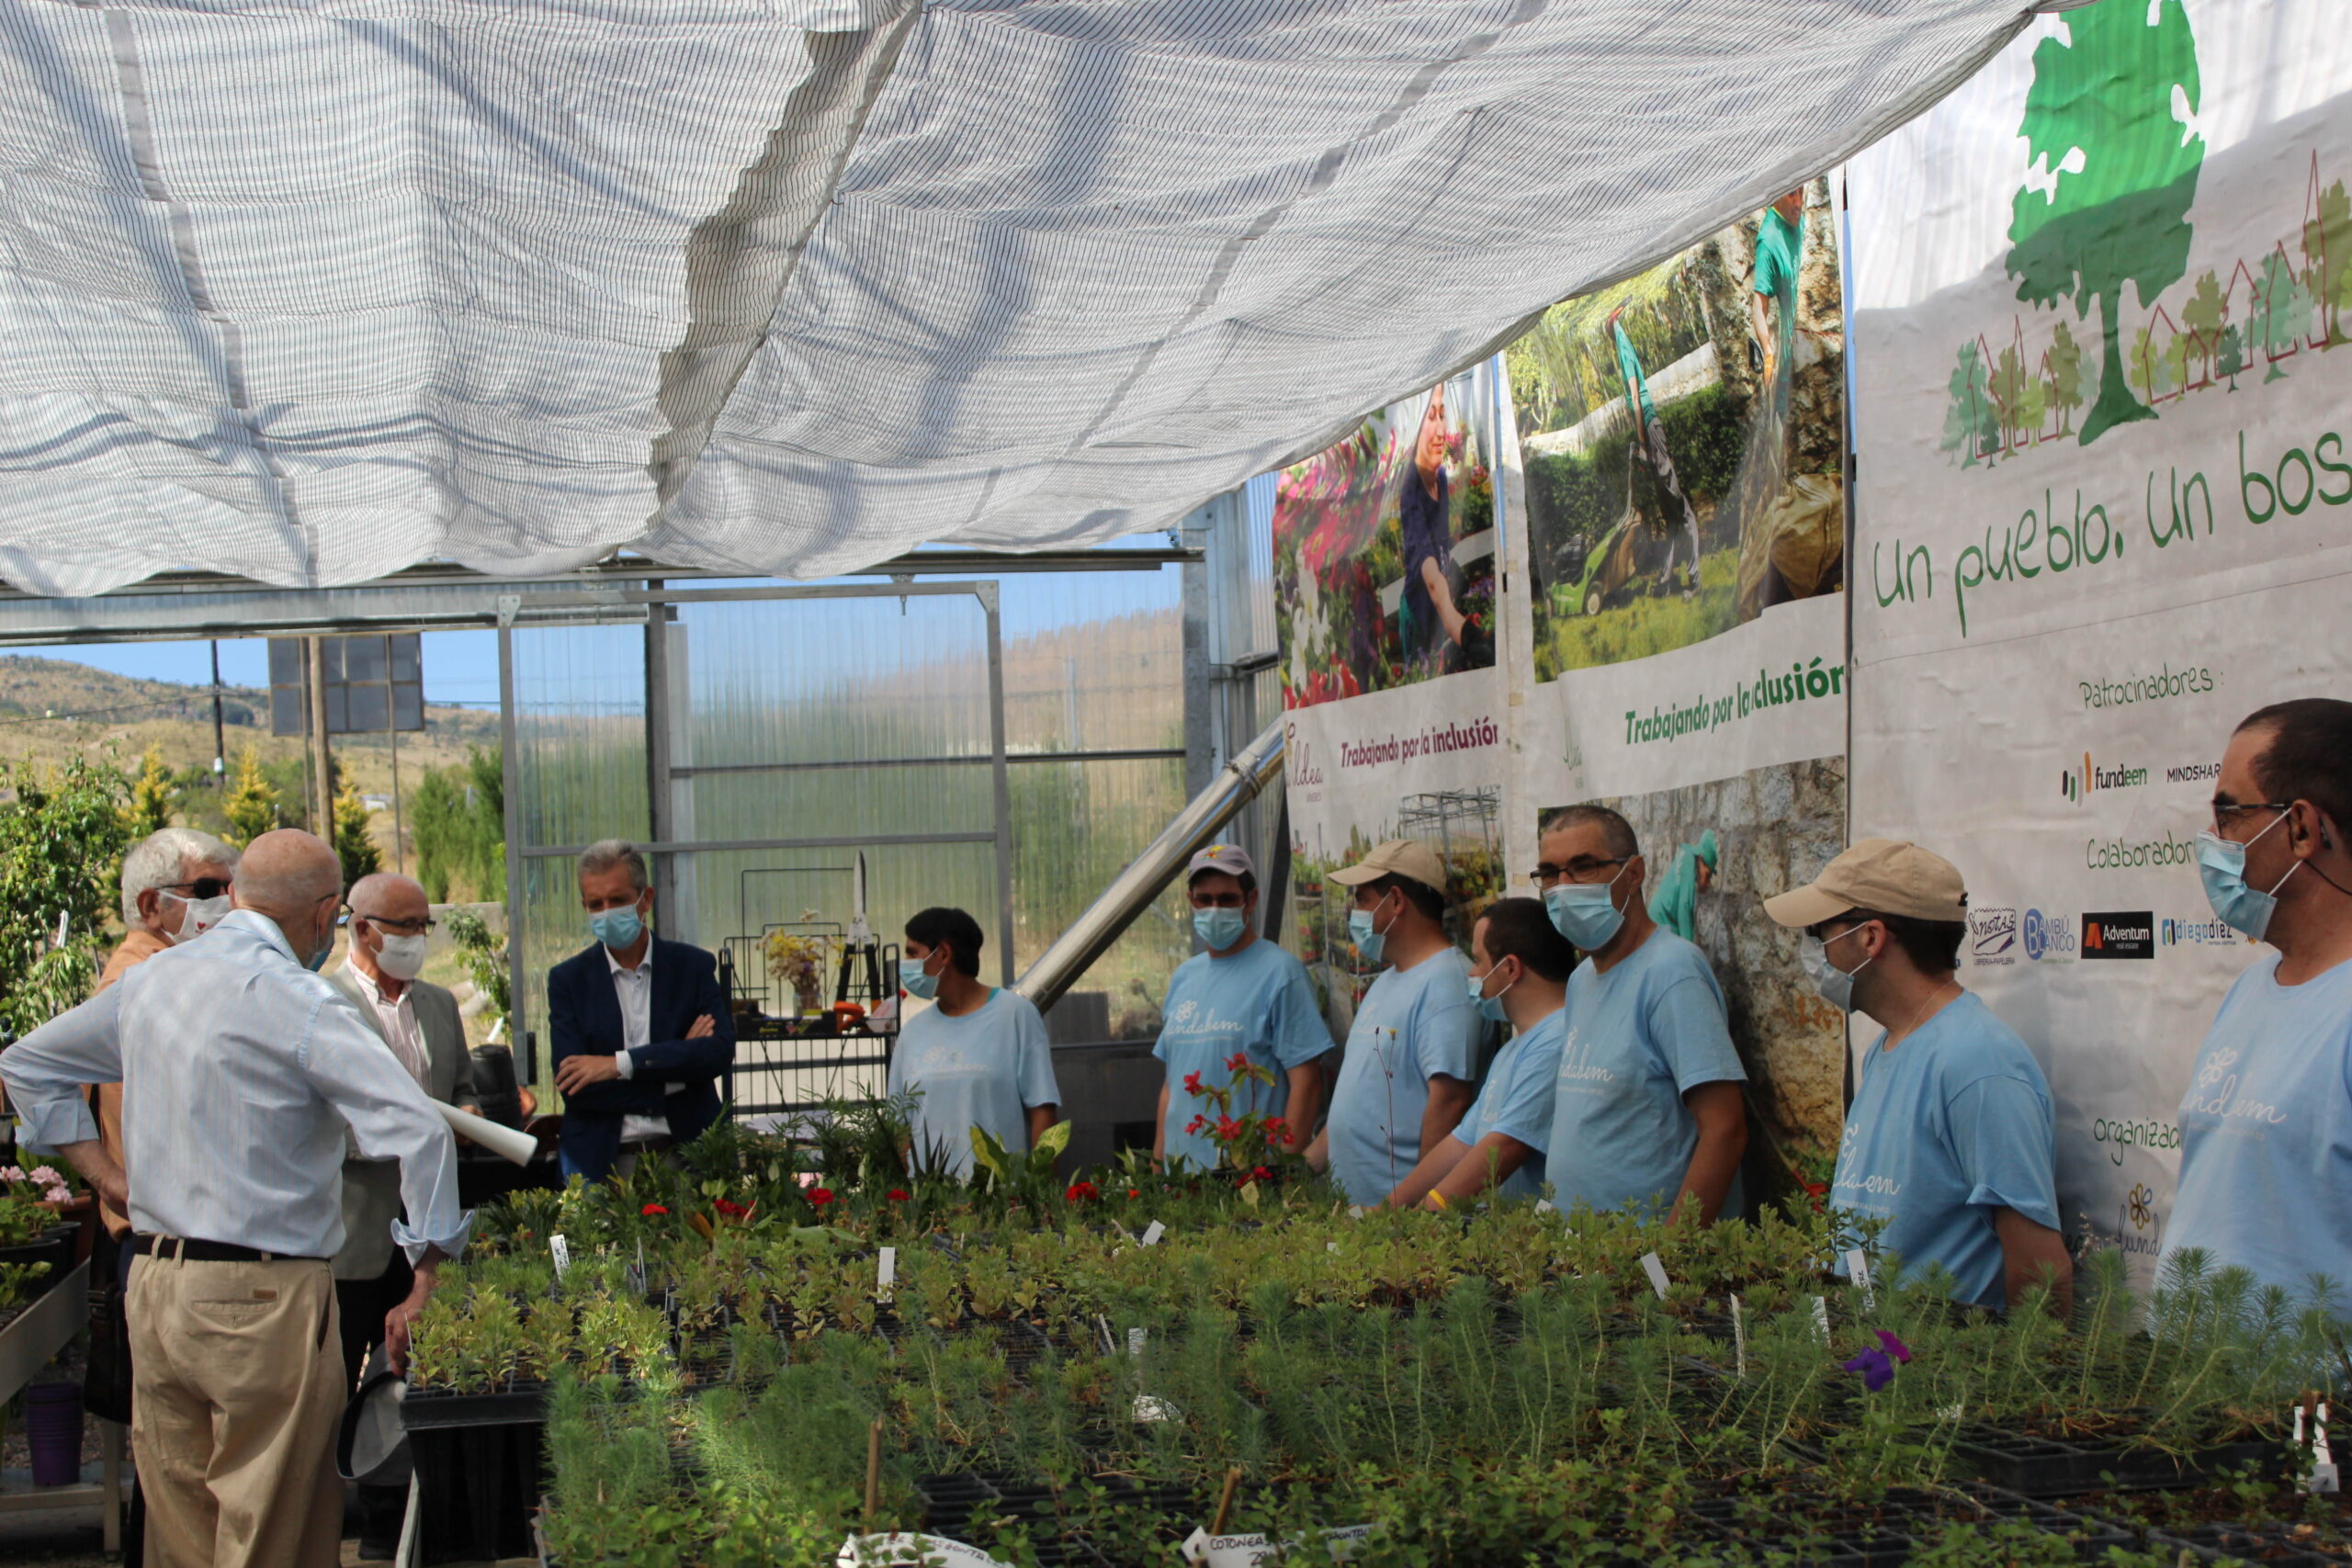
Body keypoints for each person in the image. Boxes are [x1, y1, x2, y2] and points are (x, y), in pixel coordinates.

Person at [0, 830, 468, 1568]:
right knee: (270, 1528)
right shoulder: (302, 1000)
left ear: (240, 896)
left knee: (182, 1529)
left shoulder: (152, 982)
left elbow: (27, 1064)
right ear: (323, 915)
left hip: (157, 1287)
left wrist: (104, 1177)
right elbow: (421, 1131)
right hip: (264, 1293)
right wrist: (427, 1274)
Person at [1764, 840, 2069, 1313]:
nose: (1812, 948)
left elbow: (2038, 1270)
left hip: (1939, 1377)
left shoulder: (1980, 1062)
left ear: (1871, 937)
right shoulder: (1885, 1048)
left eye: (1819, 929)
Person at [2165, 699, 2352, 1300]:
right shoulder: (2250, 990)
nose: (2213, 839)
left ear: (2302, 827)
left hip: (2312, 1395)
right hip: (2198, 1388)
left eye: (2230, 812)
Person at [330, 872, 480, 1559]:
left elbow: (459, 1085)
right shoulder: (322, 1005)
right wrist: (395, 1135)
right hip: (354, 1228)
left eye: (425, 924)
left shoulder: (439, 1004)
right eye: (405, 925)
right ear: (363, 928)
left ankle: (405, 1516)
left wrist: (469, 1112)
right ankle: (343, 1512)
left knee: (419, 1370)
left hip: (427, 1233)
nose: (418, 938)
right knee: (343, 1376)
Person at [1536, 805, 1747, 1223]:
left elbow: (1725, 1129)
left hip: (1642, 1268)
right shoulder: (1581, 980)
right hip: (1584, 1263)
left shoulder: (1672, 973)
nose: (1562, 887)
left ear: (1633, 874)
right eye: (1548, 873)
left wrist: (1670, 1260)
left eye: (1583, 867)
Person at [548, 840, 735, 1183]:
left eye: (618, 900)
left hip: (688, 1158)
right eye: (595, 904)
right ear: (584, 907)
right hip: (601, 1165)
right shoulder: (568, 982)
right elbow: (575, 1087)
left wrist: (616, 1065)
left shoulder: (692, 967)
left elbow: (717, 1054)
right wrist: (678, 1073)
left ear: (645, 898)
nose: (606, 911)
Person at [94, 829, 242, 1251]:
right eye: (208, 888)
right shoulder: (139, 982)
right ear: (151, 906)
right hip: (173, 1244)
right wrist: (106, 1179)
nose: (224, 901)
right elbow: (34, 1066)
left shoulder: (179, 970)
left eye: (230, 888)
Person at [1317, 840, 1480, 1207]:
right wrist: (1302, 1165)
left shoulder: (1448, 983)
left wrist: (1417, 1212)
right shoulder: (1388, 979)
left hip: (1395, 1220)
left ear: (1395, 900)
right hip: (1363, 1215)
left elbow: (1449, 1102)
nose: (1353, 911)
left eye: (1361, 899)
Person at [1383, 897, 1575, 1211]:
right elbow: (1461, 1142)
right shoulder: (1514, 1049)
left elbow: (1506, 1147)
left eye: (1478, 960)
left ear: (1510, 968)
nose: (1472, 973)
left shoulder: (1556, 1040)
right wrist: (1391, 1207)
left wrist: (1425, 1216)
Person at [1152, 844, 1332, 1171]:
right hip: (1180, 1182)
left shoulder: (1282, 973)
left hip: (1250, 1177)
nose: (1214, 908)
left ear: (1251, 900)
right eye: (1204, 899)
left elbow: (1307, 1082)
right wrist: (1157, 1164)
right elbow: (1172, 1084)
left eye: (1227, 899)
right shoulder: (1184, 977)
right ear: (1190, 900)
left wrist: (1282, 1171)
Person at [888, 907, 1061, 1179]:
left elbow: (1042, 1109)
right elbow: (899, 1126)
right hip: (931, 1207)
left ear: (943, 953)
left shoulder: (1015, 1015)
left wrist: (1040, 1192)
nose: (906, 963)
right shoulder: (912, 1033)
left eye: (912, 952)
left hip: (1003, 1203)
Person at [1608, 305, 1702, 598]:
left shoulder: (1622, 345)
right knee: (1672, 517)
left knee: (1682, 511)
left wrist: (1643, 442)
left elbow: (1636, 398)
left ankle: (1695, 581)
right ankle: (1665, 582)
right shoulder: (1623, 345)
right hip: (1649, 432)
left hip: (1650, 429)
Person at [1398, 383, 1478, 672]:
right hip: (1419, 619)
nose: (1441, 429)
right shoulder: (1410, 490)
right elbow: (1430, 578)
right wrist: (1465, 632)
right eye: (1430, 417)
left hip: (1441, 613)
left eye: (1442, 415)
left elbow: (1444, 546)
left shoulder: (1441, 478)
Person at [1646, 828, 1719, 943]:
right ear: (1701, 859)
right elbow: (1684, 909)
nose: (1708, 883)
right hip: (1662, 922)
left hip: (1658, 919)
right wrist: (1689, 949)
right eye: (1707, 875)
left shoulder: (1687, 856)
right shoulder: (1688, 870)